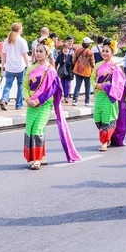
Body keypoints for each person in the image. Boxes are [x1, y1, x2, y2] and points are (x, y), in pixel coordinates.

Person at [24, 39, 81, 169]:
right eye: (36, 51)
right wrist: (27, 99)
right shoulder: (31, 68)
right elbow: (25, 85)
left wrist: (38, 100)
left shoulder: (50, 70)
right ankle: (41, 156)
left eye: (41, 51)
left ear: (47, 53)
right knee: (30, 129)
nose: (38, 54)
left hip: (43, 104)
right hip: (30, 103)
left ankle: (37, 159)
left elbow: (51, 89)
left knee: (38, 128)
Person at [92, 39, 126, 151]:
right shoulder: (98, 65)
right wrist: (96, 85)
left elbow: (119, 83)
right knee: (97, 118)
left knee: (107, 119)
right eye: (103, 51)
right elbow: (92, 78)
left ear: (112, 52)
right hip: (99, 96)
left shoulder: (115, 67)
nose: (104, 53)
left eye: (107, 51)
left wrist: (107, 87)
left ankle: (104, 141)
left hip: (109, 97)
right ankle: (106, 138)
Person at [0, 23, 29, 111]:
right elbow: (25, 55)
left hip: (9, 67)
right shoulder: (22, 41)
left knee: (8, 85)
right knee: (20, 86)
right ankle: (18, 105)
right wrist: (28, 66)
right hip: (20, 67)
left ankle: (4, 100)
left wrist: (3, 65)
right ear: (19, 29)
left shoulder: (6, 40)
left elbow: (3, 54)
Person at [72, 37, 96, 106]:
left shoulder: (78, 50)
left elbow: (73, 60)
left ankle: (74, 100)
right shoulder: (90, 52)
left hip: (78, 70)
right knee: (87, 86)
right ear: (88, 44)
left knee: (77, 85)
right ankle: (87, 101)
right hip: (87, 71)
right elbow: (93, 63)